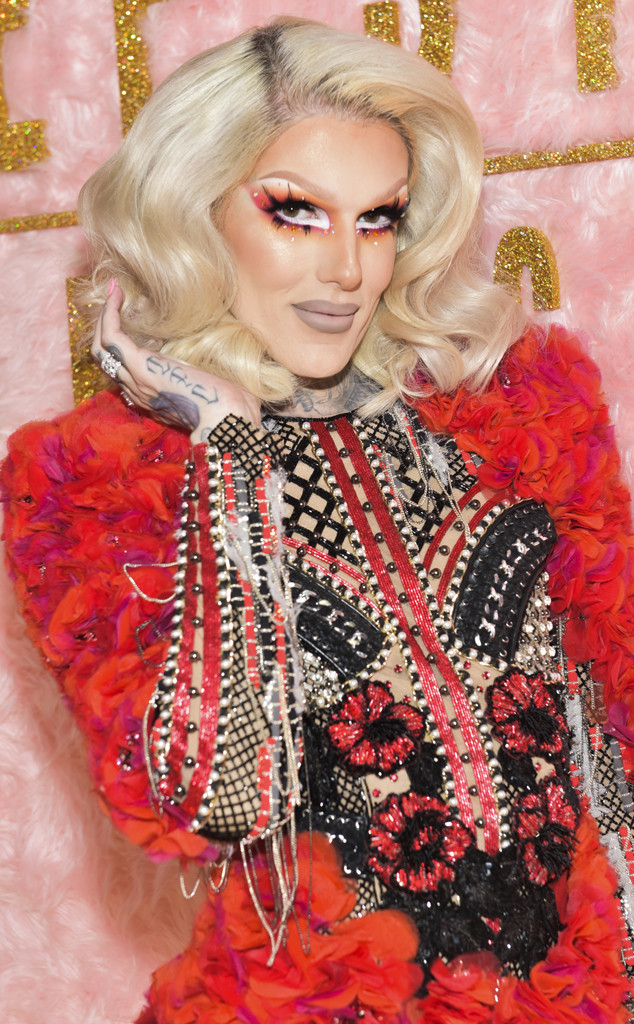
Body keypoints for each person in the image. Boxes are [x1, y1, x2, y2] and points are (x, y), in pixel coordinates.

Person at [2, 16, 634, 1024]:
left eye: (377, 218)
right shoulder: (98, 479)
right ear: (196, 213)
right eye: (296, 213)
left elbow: (615, 709)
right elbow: (209, 798)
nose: (347, 268)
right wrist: (228, 449)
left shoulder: (520, 402)